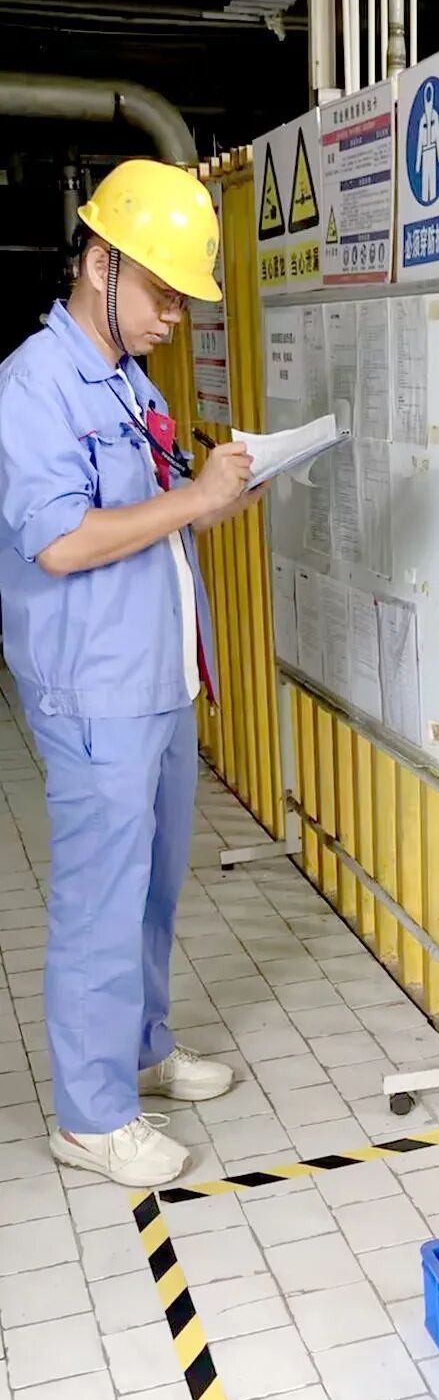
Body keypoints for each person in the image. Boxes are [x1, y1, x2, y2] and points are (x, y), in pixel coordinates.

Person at [0, 158, 256, 1188]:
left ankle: (142, 1051)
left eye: (183, 300)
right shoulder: (34, 386)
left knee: (150, 890)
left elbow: (148, 520)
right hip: (95, 691)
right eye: (161, 292)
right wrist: (192, 500)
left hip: (156, 680)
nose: (172, 318)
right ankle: (92, 1116)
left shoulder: (126, 381)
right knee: (101, 902)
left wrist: (211, 499)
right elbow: (61, 542)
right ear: (100, 263)